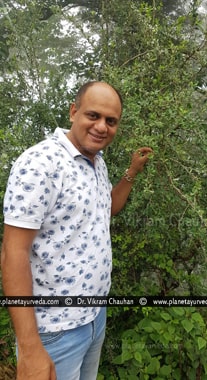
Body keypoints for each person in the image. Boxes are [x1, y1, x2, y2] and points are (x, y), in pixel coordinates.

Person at [1, 81, 153, 380]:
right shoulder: (40, 164)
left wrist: (132, 172)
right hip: (54, 331)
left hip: (95, 316)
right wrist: (30, 348)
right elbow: (12, 253)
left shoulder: (97, 163)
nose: (101, 127)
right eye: (93, 116)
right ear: (73, 112)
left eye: (111, 121)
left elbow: (106, 208)